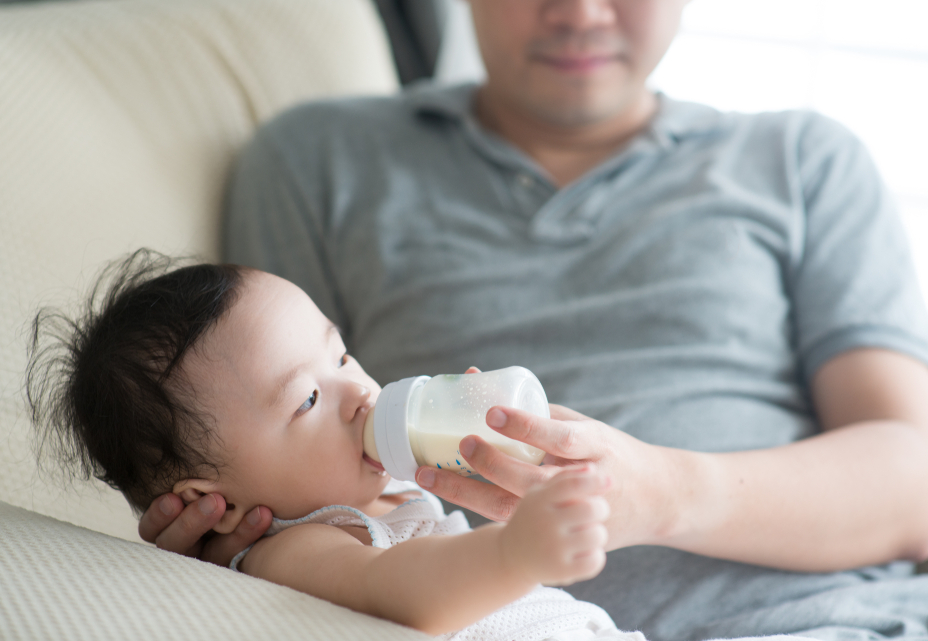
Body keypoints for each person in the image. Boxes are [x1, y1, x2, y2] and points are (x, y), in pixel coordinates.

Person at [140, 0, 928, 639]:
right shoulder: (316, 160)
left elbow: (911, 492)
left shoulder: (804, 162)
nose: (583, 7)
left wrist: (656, 492)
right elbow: (263, 441)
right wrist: (229, 546)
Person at [27, 253, 649, 641]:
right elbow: (399, 591)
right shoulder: (291, 550)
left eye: (342, 353)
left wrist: (472, 433)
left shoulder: (381, 480)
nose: (357, 390)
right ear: (216, 501)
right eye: (306, 401)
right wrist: (517, 551)